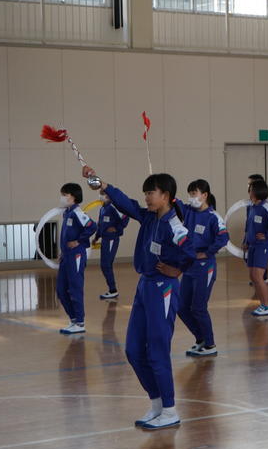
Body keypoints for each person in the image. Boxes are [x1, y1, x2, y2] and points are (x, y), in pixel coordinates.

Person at [81, 165, 196, 430]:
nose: (146, 197)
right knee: (133, 350)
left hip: (163, 288)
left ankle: (170, 410)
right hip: (145, 286)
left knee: (157, 351)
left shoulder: (175, 225)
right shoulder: (148, 217)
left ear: (165, 196)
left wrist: (177, 270)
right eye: (145, 193)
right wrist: (102, 185)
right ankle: (156, 404)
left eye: (150, 193)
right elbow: (126, 204)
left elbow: (191, 251)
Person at [178, 179, 229, 357]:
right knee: (181, 307)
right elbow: (175, 203)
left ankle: (210, 344)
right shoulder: (189, 212)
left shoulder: (213, 217)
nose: (191, 197)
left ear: (204, 195)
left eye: (194, 194)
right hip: (189, 266)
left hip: (204, 267)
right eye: (190, 194)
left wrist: (207, 252)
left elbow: (223, 238)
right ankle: (200, 339)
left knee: (198, 307)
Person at [56, 182, 97, 334]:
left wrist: (79, 241)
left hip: (76, 255)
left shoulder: (78, 212)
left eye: (64, 195)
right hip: (66, 255)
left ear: (73, 197)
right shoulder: (67, 213)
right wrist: (63, 251)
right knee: (61, 289)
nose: (62, 197)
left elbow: (92, 226)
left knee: (75, 288)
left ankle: (80, 322)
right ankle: (73, 319)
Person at [245, 179, 268, 316]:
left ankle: (266, 306)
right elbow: (249, 227)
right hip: (252, 246)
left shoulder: (266, 207)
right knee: (253, 276)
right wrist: (246, 241)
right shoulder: (252, 207)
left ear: (256, 191)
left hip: (263, 246)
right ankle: (262, 304)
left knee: (258, 276)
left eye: (251, 189)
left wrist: (267, 235)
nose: (249, 191)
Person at [91, 190, 129, 300]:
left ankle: (113, 290)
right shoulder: (103, 208)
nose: (101, 196)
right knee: (105, 265)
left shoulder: (114, 207)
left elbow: (126, 217)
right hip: (104, 239)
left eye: (103, 194)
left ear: (108, 195)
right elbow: (100, 225)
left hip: (111, 239)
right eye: (100, 194)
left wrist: (116, 228)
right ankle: (112, 289)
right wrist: (96, 237)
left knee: (106, 265)